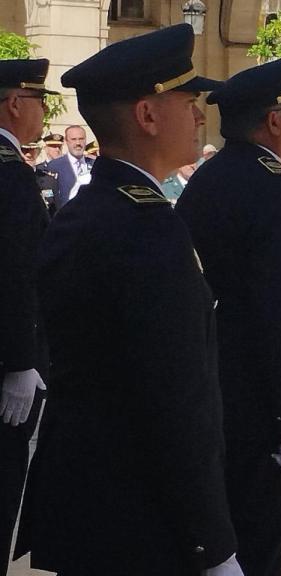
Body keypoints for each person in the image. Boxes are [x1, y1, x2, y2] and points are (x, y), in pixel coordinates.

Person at [14, 27, 242, 576]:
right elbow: (174, 401)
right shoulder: (148, 230)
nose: (199, 116)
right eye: (188, 102)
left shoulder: (84, 213)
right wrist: (213, 543)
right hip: (146, 519)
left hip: (87, 502)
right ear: (147, 114)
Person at [176, 56, 281, 576]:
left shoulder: (213, 177)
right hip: (263, 406)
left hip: (220, 386)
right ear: (274, 119)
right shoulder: (274, 189)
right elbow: (279, 312)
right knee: (259, 544)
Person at [0, 58, 53, 576]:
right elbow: (14, 270)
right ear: (15, 104)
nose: (42, 113)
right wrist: (19, 360)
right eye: (38, 101)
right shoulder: (12, 174)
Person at [44, 124, 92, 210]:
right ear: (66, 141)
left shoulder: (95, 165)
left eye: (81, 139)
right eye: (73, 139)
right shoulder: (54, 166)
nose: (78, 143)